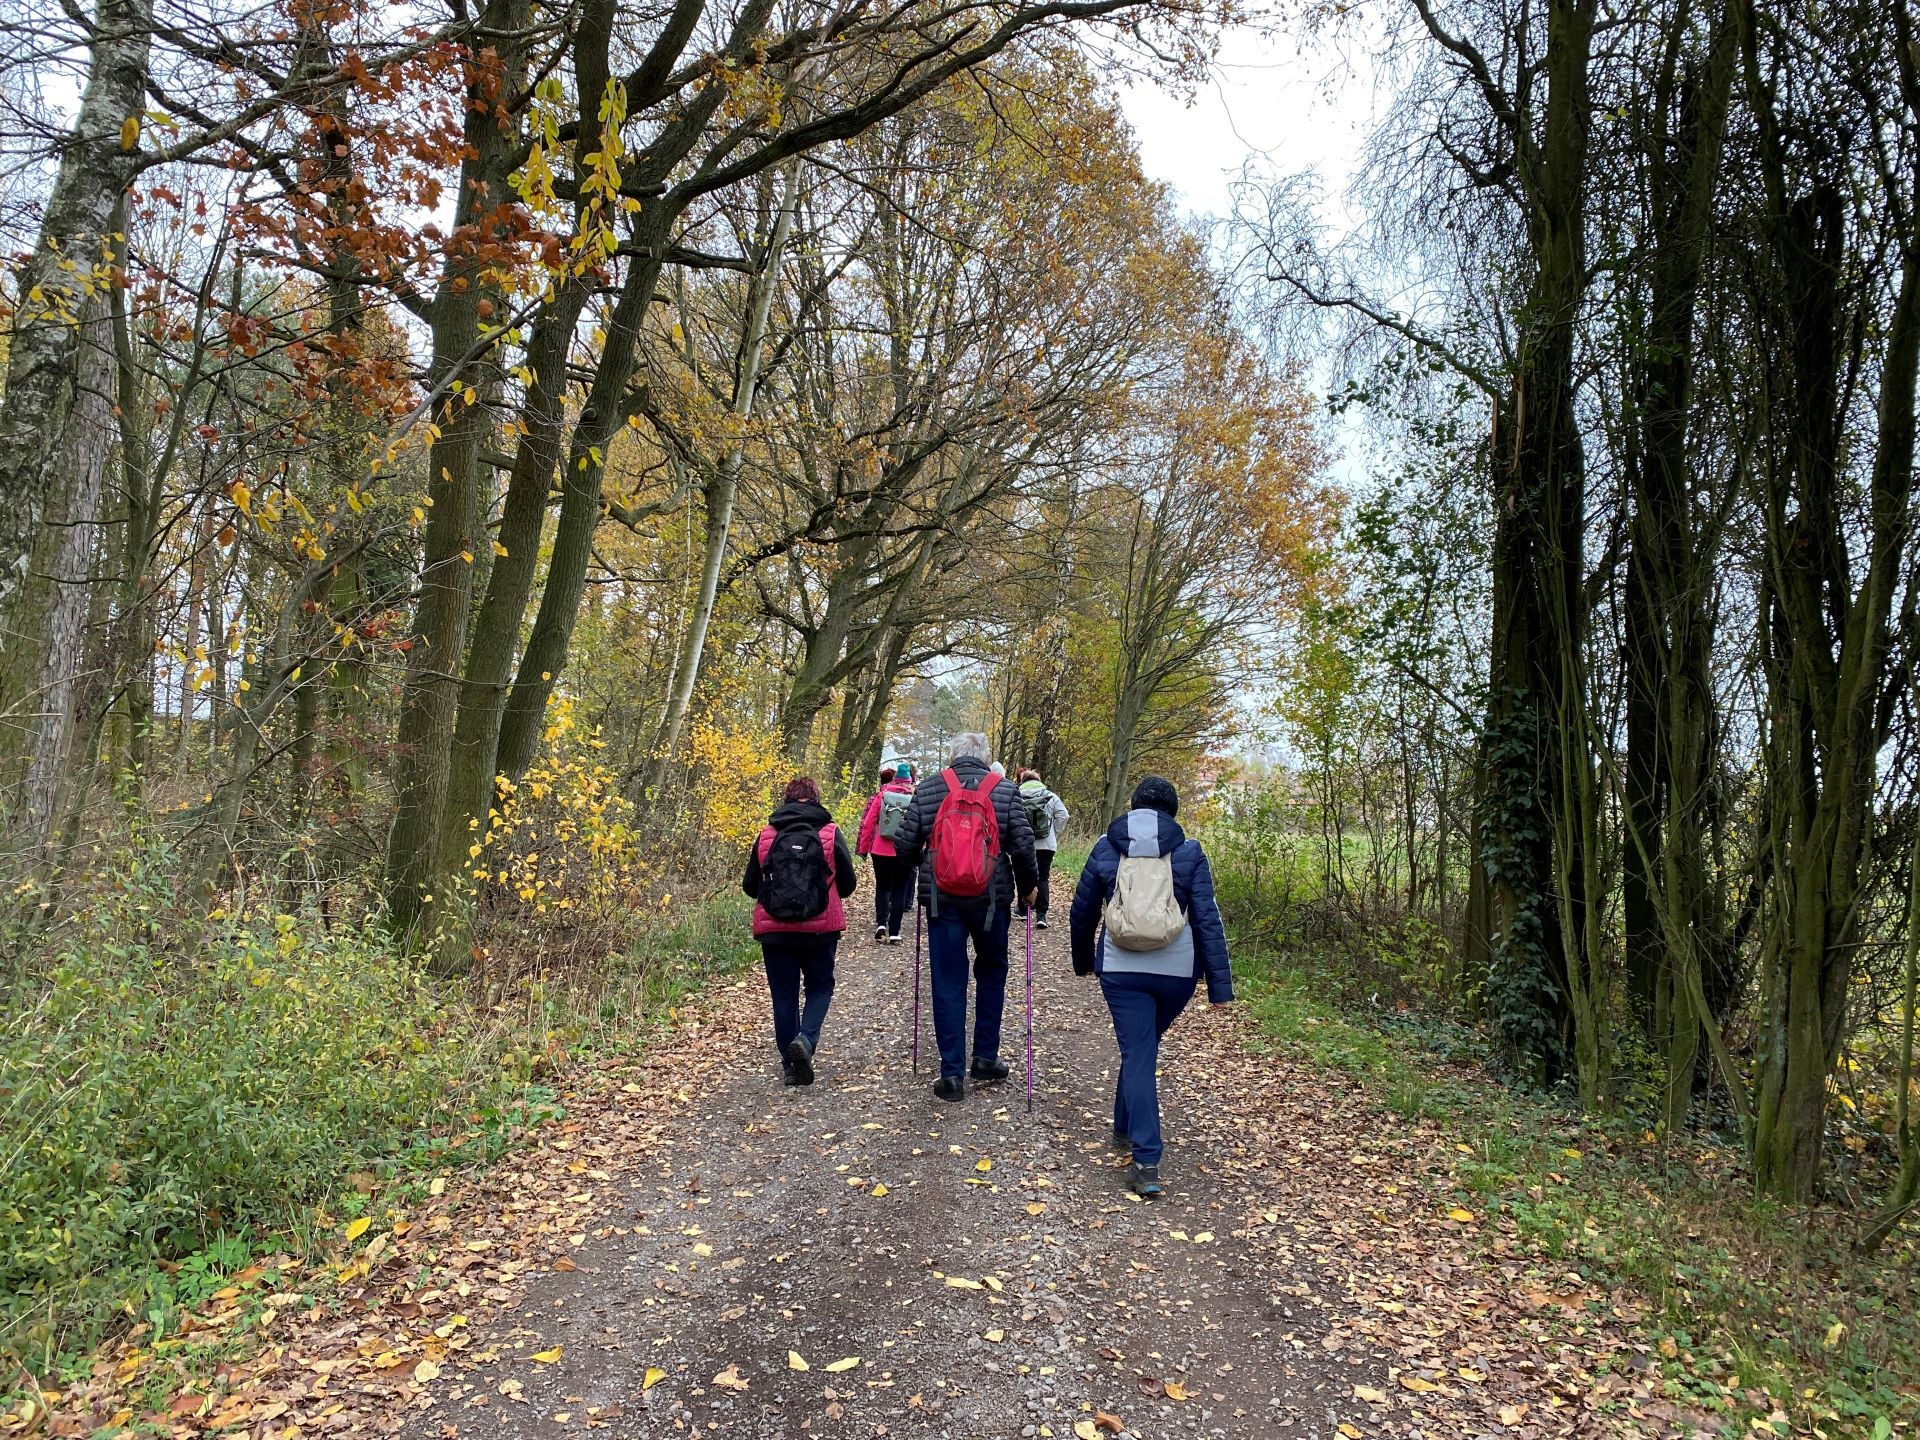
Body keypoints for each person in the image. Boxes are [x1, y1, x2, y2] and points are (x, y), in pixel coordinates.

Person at [1068, 776, 1231, 1198]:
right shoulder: (1189, 851)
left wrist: (1086, 963)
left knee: (1138, 1050)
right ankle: (1126, 1130)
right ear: (1172, 813)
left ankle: (1145, 1158)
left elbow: (1082, 911)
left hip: (1121, 970)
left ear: (1134, 808)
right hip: (1177, 975)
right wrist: (1219, 988)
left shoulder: (1107, 847)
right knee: (1142, 1048)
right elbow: (1208, 920)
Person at [890, 733, 1038, 1102]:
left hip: (943, 902)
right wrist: (1028, 888)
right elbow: (1022, 845)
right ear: (986, 758)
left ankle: (951, 1073)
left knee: (947, 980)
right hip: (991, 901)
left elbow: (905, 845)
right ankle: (985, 1057)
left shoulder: (929, 788)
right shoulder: (1004, 790)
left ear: (953, 756)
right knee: (991, 973)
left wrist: (924, 866)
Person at [741, 776, 857, 1087]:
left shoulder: (767, 834)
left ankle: (790, 1066)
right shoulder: (830, 832)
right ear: (817, 798)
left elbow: (749, 886)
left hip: (775, 931)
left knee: (784, 995)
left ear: (786, 799)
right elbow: (847, 886)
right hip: (820, 930)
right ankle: (806, 1039)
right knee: (820, 988)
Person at [856, 761, 917, 944]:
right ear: (908, 781)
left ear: (894, 780)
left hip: (880, 849)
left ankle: (881, 924)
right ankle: (895, 932)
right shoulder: (914, 799)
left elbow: (868, 823)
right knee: (899, 890)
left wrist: (863, 849)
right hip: (904, 850)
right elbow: (919, 826)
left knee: (882, 887)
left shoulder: (882, 796)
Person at [1014, 769, 1070, 929]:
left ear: (1023, 781)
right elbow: (1063, 815)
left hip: (1023, 843)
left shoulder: (1017, 795)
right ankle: (1041, 915)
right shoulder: (1050, 796)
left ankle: (1023, 910)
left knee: (1022, 875)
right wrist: (1054, 832)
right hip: (1046, 844)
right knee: (1043, 877)